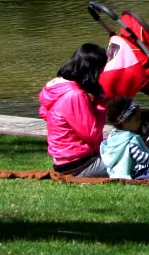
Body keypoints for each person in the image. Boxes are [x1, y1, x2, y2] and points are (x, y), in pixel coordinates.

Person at [39, 43, 110, 176]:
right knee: (131, 162)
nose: (100, 75)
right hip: (79, 163)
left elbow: (44, 112)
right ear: (93, 70)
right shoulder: (75, 95)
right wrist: (100, 102)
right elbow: (92, 135)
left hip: (63, 161)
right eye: (100, 70)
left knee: (131, 152)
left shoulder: (58, 86)